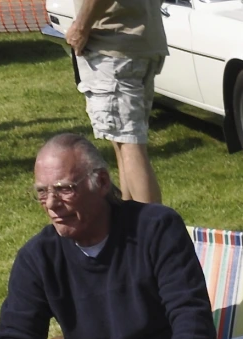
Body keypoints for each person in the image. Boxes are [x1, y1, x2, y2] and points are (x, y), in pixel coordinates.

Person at [0, 133, 214, 339]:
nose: (52, 204)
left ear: (102, 182)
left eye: (64, 189)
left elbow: (192, 320)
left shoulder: (156, 229)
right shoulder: (38, 257)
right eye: (42, 192)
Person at [63, 0, 165, 204]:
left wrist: (81, 27)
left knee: (130, 145)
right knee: (123, 142)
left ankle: (155, 232)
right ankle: (130, 225)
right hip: (139, 41)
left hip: (115, 48)